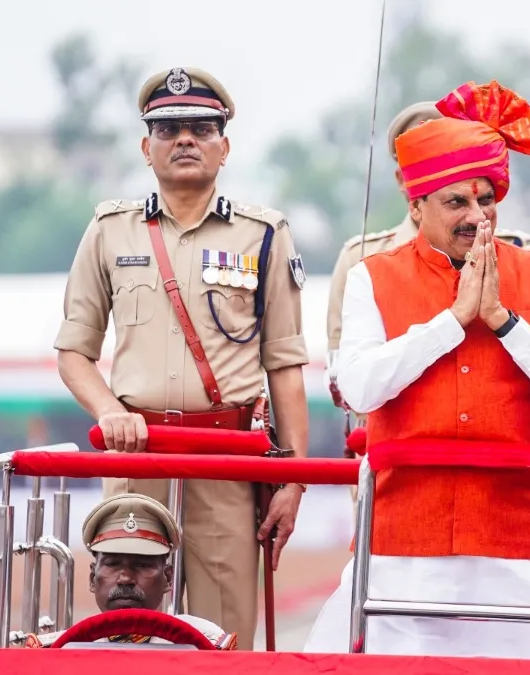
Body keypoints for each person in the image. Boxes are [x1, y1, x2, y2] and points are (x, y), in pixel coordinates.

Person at [303, 80, 530, 659]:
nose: (476, 216)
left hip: (521, 548)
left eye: (485, 199)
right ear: (415, 205)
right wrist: (452, 322)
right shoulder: (373, 276)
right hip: (402, 548)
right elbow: (361, 385)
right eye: (456, 202)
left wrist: (503, 321)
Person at [53, 66, 311, 648]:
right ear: (147, 148)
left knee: (225, 634)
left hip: (230, 462)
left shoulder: (264, 235)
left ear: (224, 145)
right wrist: (107, 411)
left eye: (200, 127)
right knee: (126, 627)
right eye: (168, 130)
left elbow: (286, 365)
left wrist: (293, 480)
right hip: (136, 459)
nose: (185, 140)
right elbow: (73, 352)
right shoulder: (110, 230)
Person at [326, 100, 530, 356]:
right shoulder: (361, 259)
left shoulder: (519, 251)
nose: (475, 216)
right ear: (402, 181)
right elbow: (344, 372)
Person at [23, 493, 241, 649]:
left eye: (142, 565)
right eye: (112, 564)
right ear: (92, 578)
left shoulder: (205, 642)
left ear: (167, 578)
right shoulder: (58, 649)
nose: (125, 578)